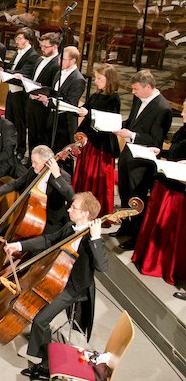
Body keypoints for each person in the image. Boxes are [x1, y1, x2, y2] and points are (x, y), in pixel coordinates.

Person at [3, 192, 107, 380]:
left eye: (73, 207)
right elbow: (47, 240)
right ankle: (45, 352)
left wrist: (96, 239)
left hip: (73, 288)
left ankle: (46, 364)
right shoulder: (70, 227)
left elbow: (102, 267)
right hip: (57, 277)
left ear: (85, 214)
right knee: (38, 315)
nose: (68, 209)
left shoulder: (92, 238)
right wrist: (19, 245)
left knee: (40, 319)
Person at [113, 70, 173, 250]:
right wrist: (116, 125)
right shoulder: (139, 98)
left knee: (136, 198)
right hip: (128, 155)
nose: (133, 92)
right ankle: (125, 227)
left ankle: (136, 236)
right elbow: (132, 121)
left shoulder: (163, 109)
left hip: (142, 162)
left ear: (148, 87)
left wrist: (132, 135)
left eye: (136, 89)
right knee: (124, 193)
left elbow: (155, 140)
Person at [132, 101, 186, 285]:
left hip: (178, 188)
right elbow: (176, 152)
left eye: (185, 110)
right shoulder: (184, 129)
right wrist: (160, 151)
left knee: (170, 229)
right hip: (167, 181)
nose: (182, 113)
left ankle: (163, 266)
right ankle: (148, 259)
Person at [0, 145, 74, 235]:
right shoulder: (32, 171)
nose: (33, 165)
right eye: (32, 161)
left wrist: (57, 177)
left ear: (47, 163)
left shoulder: (63, 177)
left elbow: (71, 197)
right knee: (2, 234)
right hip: (30, 216)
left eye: (35, 162)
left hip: (51, 222)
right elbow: (15, 184)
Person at [71, 64, 121, 217]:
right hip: (89, 142)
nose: (96, 81)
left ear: (109, 80)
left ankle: (98, 211)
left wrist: (89, 112)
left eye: (100, 78)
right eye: (96, 78)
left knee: (96, 179)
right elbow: (87, 110)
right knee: (85, 176)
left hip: (101, 146)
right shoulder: (96, 95)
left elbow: (109, 120)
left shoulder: (114, 98)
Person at [0, 27, 40, 158]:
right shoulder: (18, 52)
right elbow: (13, 68)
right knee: (9, 120)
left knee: (19, 123)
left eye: (20, 38)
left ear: (28, 40)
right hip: (11, 90)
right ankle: (9, 146)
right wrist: (1, 67)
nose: (16, 40)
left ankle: (20, 150)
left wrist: (5, 72)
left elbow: (24, 73)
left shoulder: (33, 56)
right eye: (16, 38)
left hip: (21, 94)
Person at [33, 46, 85, 154]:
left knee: (63, 155)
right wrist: (42, 94)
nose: (59, 61)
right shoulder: (59, 73)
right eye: (59, 58)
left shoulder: (78, 80)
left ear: (73, 60)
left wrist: (48, 101)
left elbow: (70, 103)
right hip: (53, 118)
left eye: (63, 59)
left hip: (65, 123)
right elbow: (54, 92)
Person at [25, 32, 62, 151]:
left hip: (43, 106)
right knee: (31, 134)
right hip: (32, 102)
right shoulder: (40, 59)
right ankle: (31, 160)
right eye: (41, 46)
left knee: (41, 137)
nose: (42, 49)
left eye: (46, 47)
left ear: (55, 46)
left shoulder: (57, 64)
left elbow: (54, 88)